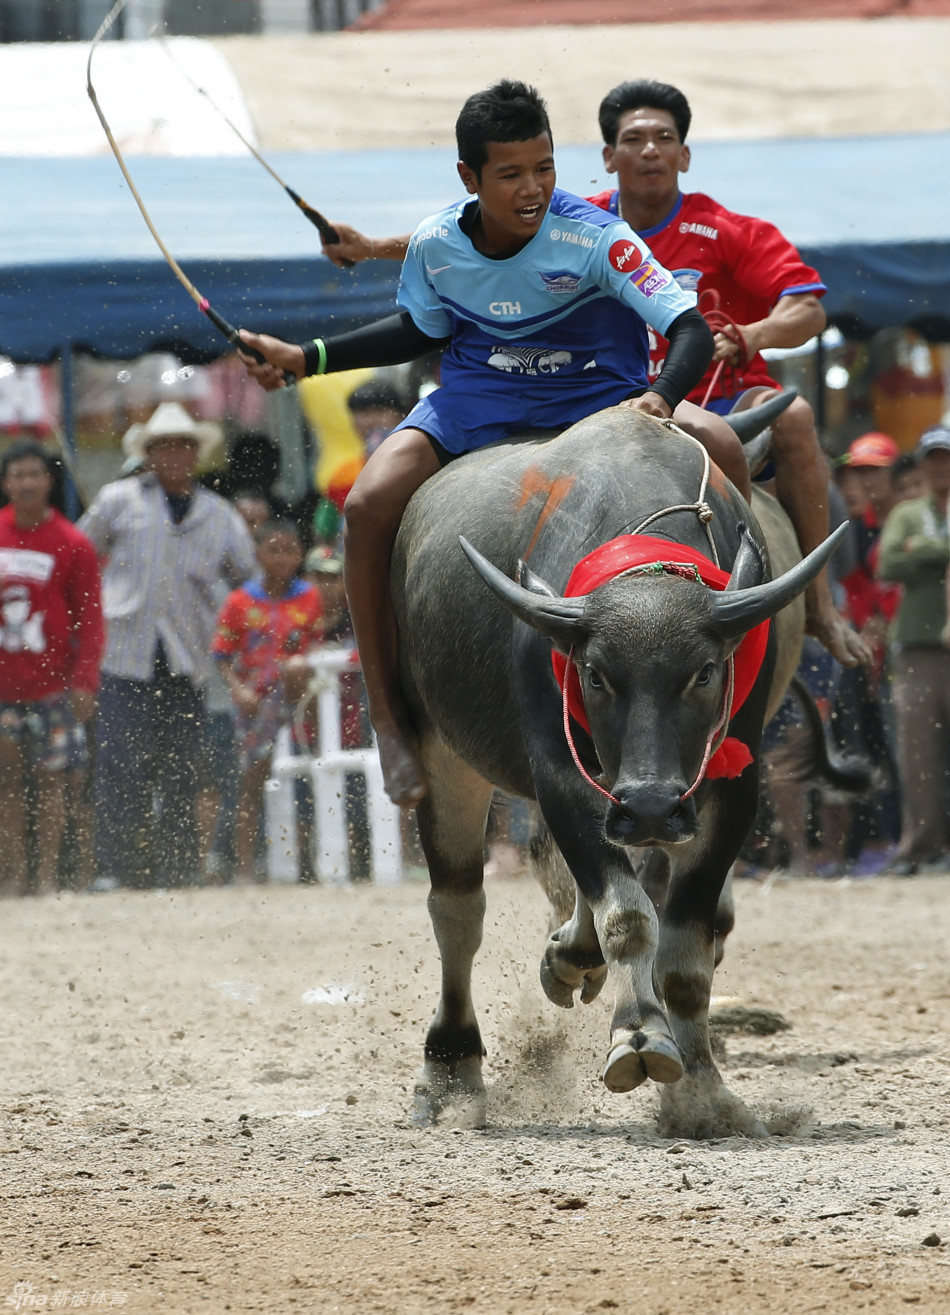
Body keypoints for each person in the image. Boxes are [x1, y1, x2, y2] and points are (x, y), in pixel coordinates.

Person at [237, 79, 747, 807]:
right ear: (469, 178)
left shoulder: (597, 235)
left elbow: (689, 329)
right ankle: (389, 715)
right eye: (511, 174)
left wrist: (662, 397)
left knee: (723, 442)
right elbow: (420, 331)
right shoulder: (437, 243)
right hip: (479, 402)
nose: (534, 188)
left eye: (544, 168)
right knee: (368, 504)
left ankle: (728, 671)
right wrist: (304, 356)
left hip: (598, 400)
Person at [317, 78, 868, 673]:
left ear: (685, 155)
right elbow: (474, 236)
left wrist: (750, 336)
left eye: (665, 139)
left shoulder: (728, 230)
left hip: (710, 392)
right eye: (634, 139)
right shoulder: (575, 220)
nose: (650, 151)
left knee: (793, 417)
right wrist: (373, 247)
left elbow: (809, 307)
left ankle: (815, 608)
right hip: (602, 395)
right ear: (607, 159)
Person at [80, 403, 256, 889]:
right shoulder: (119, 500)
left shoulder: (219, 515)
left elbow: (249, 586)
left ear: (196, 453)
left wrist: (239, 639)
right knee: (121, 763)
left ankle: (176, 867)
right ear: (149, 454)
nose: (174, 454)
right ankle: (118, 869)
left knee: (182, 765)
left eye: (182, 445)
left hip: (188, 657)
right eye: (164, 446)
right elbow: (78, 556)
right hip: (124, 652)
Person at [0, 440, 104, 896]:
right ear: (6, 482)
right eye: (17, 474)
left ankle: (45, 875)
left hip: (54, 688)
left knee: (53, 785)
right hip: (4, 688)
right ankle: (14, 874)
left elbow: (91, 616)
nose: (25, 483)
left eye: (34, 474)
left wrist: (84, 679)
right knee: (6, 786)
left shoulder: (73, 543)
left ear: (48, 481)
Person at [213, 520, 324, 884]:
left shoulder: (309, 597)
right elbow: (222, 654)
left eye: (290, 550)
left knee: (305, 779)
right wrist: (238, 691)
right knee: (250, 782)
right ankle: (245, 866)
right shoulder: (240, 601)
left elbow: (317, 647)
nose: (281, 558)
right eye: (273, 550)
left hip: (299, 705)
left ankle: (307, 865)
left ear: (300, 554)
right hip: (254, 705)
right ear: (257, 554)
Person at [877, 425, 950, 874]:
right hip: (917, 645)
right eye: (934, 458)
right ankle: (920, 845)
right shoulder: (906, 513)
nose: (941, 466)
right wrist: (941, 551)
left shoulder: (911, 525)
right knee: (917, 753)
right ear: (923, 464)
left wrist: (923, 549)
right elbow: (887, 563)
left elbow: (905, 559)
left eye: (946, 457)